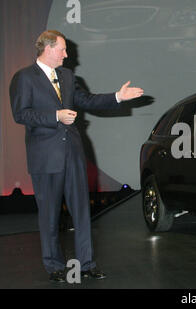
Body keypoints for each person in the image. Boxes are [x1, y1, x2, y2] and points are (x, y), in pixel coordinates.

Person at [9, 30, 144, 282]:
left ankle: (87, 263)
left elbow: (88, 100)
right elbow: (21, 114)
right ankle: (54, 266)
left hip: (73, 154)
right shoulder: (24, 78)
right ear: (47, 49)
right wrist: (54, 117)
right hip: (45, 157)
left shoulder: (68, 76)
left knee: (82, 211)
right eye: (62, 49)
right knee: (49, 214)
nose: (66, 54)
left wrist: (118, 97)